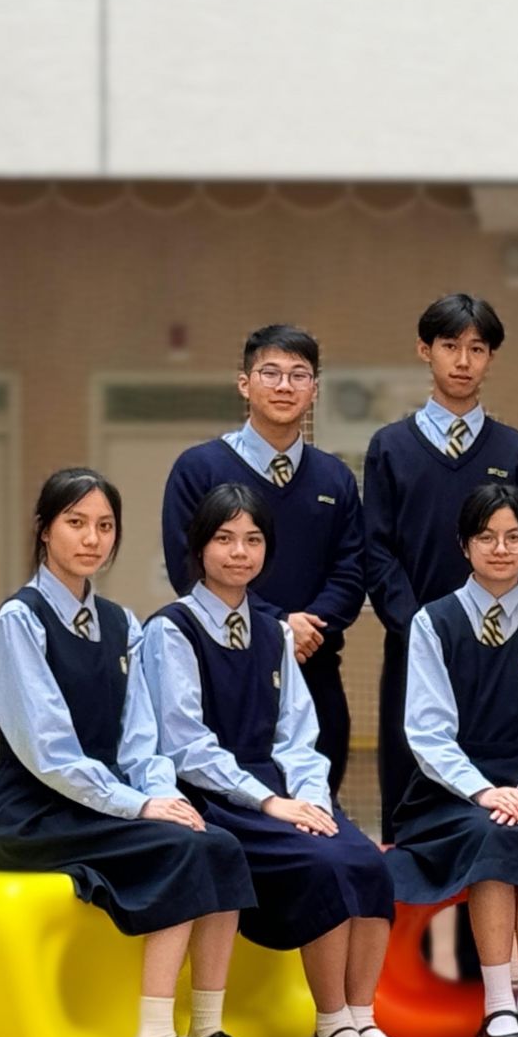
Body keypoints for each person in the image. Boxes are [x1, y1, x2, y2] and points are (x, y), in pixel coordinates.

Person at [0, 468, 257, 1037]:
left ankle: (205, 1030)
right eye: (76, 523)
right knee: (181, 851)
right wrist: (137, 807)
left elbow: (142, 737)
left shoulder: (121, 622)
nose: (92, 539)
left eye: (104, 526)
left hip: (106, 804)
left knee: (218, 842)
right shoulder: (18, 622)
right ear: (44, 531)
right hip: (36, 814)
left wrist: (163, 794)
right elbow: (48, 752)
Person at [143, 482, 403, 1037]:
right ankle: (332, 1023)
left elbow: (298, 736)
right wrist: (269, 804)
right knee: (327, 866)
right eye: (225, 538)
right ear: (198, 546)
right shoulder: (171, 630)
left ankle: (363, 1017)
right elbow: (184, 745)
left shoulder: (274, 633)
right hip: (216, 795)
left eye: (253, 539)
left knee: (366, 860)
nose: (239, 552)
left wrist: (312, 799)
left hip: (282, 790)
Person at [387, 483, 518, 1037]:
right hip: (452, 792)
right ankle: (500, 1005)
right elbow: (427, 731)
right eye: (486, 537)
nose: (501, 549)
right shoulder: (434, 622)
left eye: (514, 537)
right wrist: (484, 790)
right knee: (492, 833)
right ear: (465, 545)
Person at [362, 293, 518, 841]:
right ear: (426, 350)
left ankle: (475, 932)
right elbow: (376, 550)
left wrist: (493, 626)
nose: (462, 361)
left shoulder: (517, 451)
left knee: (495, 809)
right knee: (407, 806)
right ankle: (406, 926)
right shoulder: (389, 448)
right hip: (413, 648)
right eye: (449, 347)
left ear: (490, 358)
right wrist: (421, 627)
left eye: (476, 349)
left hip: (500, 654)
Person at [161, 325, 364, 794]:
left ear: (315, 390)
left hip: (314, 668)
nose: (284, 385)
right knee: (232, 814)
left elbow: (352, 571)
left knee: (314, 815)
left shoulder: (335, 477)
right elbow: (185, 567)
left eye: (298, 375)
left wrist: (306, 628)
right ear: (244, 383)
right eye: (269, 372)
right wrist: (276, 628)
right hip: (223, 666)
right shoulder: (200, 468)